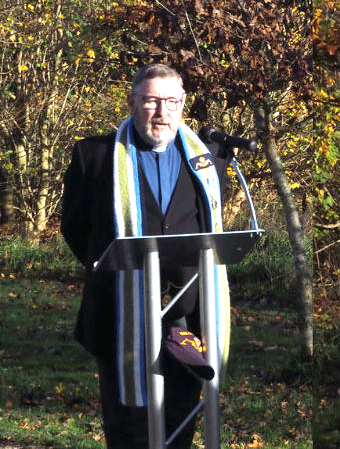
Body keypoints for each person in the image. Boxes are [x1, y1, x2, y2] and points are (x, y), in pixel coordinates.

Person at [60, 63, 230, 448]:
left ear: (183, 104)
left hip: (186, 317)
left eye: (172, 101)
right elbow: (75, 227)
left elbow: (211, 228)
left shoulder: (208, 161)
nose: (162, 111)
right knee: (129, 425)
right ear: (133, 102)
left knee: (181, 417)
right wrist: (114, 269)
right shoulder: (95, 156)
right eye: (152, 100)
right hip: (119, 313)